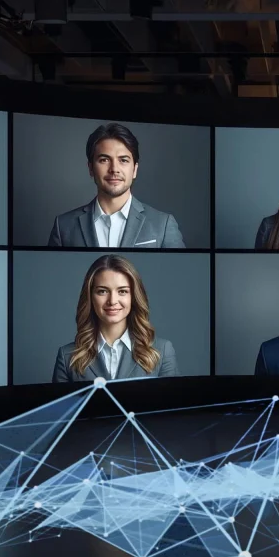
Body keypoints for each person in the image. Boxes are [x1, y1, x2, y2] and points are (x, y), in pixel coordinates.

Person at [47, 123, 185, 248]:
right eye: (104, 160)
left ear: (135, 169)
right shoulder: (64, 226)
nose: (114, 169)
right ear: (90, 168)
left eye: (123, 160)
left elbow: (180, 274)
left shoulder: (163, 225)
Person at [52, 254, 179, 382]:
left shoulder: (162, 351)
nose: (112, 301)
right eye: (102, 291)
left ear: (133, 297)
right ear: (90, 297)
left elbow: (172, 402)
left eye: (122, 291)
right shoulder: (67, 356)